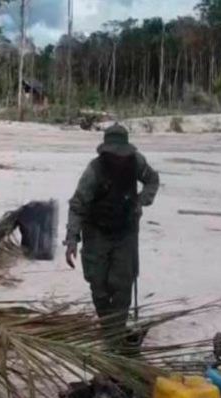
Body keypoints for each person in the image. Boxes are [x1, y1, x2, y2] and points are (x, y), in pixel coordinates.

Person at [64, 124, 160, 354]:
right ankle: (110, 329)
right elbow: (77, 205)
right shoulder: (94, 170)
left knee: (122, 284)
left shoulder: (136, 162)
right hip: (96, 231)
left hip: (125, 231)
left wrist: (141, 200)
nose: (119, 158)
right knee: (98, 284)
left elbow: (153, 180)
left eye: (122, 153)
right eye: (114, 154)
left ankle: (114, 335)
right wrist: (72, 239)